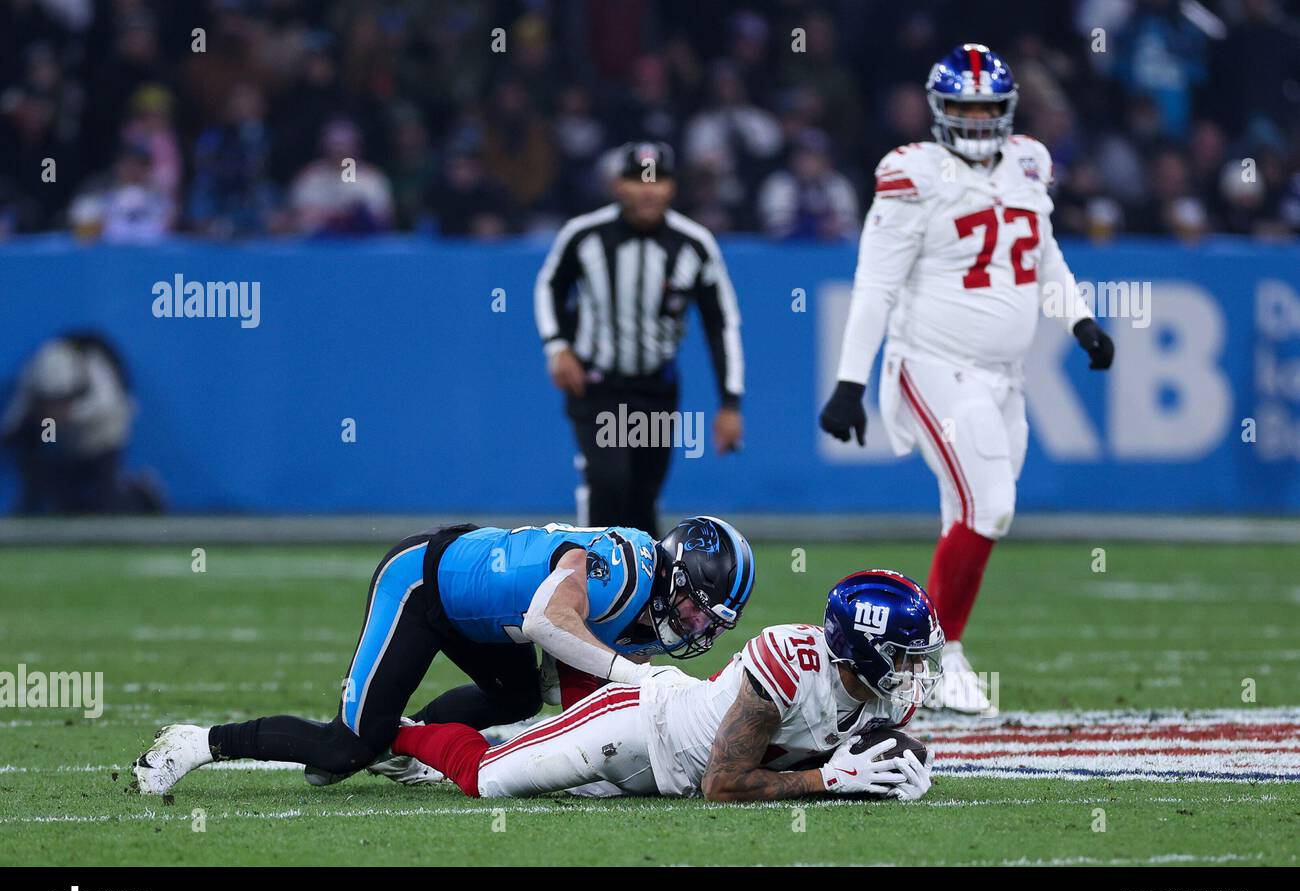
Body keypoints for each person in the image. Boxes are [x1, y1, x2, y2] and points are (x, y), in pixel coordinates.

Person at [817, 45, 1115, 714]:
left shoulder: (1030, 161)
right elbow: (875, 282)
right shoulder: (911, 172)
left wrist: (1080, 320)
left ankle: (917, 663)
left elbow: (1042, 253)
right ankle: (937, 654)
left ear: (1006, 111)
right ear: (940, 112)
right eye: (965, 108)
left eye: (988, 109)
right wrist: (849, 381)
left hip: (1004, 377)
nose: (978, 121)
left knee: (970, 512)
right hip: (931, 364)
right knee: (990, 504)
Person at [130, 516, 755, 795]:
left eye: (711, 623)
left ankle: (405, 741)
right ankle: (198, 742)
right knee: (345, 748)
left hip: (490, 623)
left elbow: (583, 703)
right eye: (698, 608)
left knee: (515, 696)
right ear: (674, 573)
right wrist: (633, 676)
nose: (697, 626)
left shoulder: (647, 610)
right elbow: (547, 618)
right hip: (427, 583)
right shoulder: (622, 570)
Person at [390, 570, 940, 802]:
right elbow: (723, 785)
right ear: (863, 646)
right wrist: (827, 780)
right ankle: (396, 736)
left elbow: (858, 754)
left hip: (659, 777)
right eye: (904, 655)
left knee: (530, 754)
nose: (913, 672)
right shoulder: (790, 661)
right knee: (485, 778)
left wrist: (903, 771)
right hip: (634, 726)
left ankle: (514, 732)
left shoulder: (890, 695)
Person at [535, 141, 745, 538]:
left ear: (672, 188)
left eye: (658, 179)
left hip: (655, 388)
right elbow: (549, 285)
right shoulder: (585, 235)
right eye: (637, 179)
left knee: (642, 496)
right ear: (618, 186)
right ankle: (591, 577)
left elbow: (721, 323)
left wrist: (730, 402)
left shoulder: (694, 244)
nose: (648, 189)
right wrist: (557, 345)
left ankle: (645, 592)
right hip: (598, 385)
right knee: (608, 481)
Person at [2, 333, 162, 514]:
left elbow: (111, 406)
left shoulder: (93, 365)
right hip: (63, 442)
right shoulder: (33, 374)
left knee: (108, 503)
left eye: (62, 399)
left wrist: (71, 414)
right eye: (51, 401)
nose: (56, 405)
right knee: (64, 502)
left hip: (102, 436)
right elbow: (16, 416)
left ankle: (142, 492)